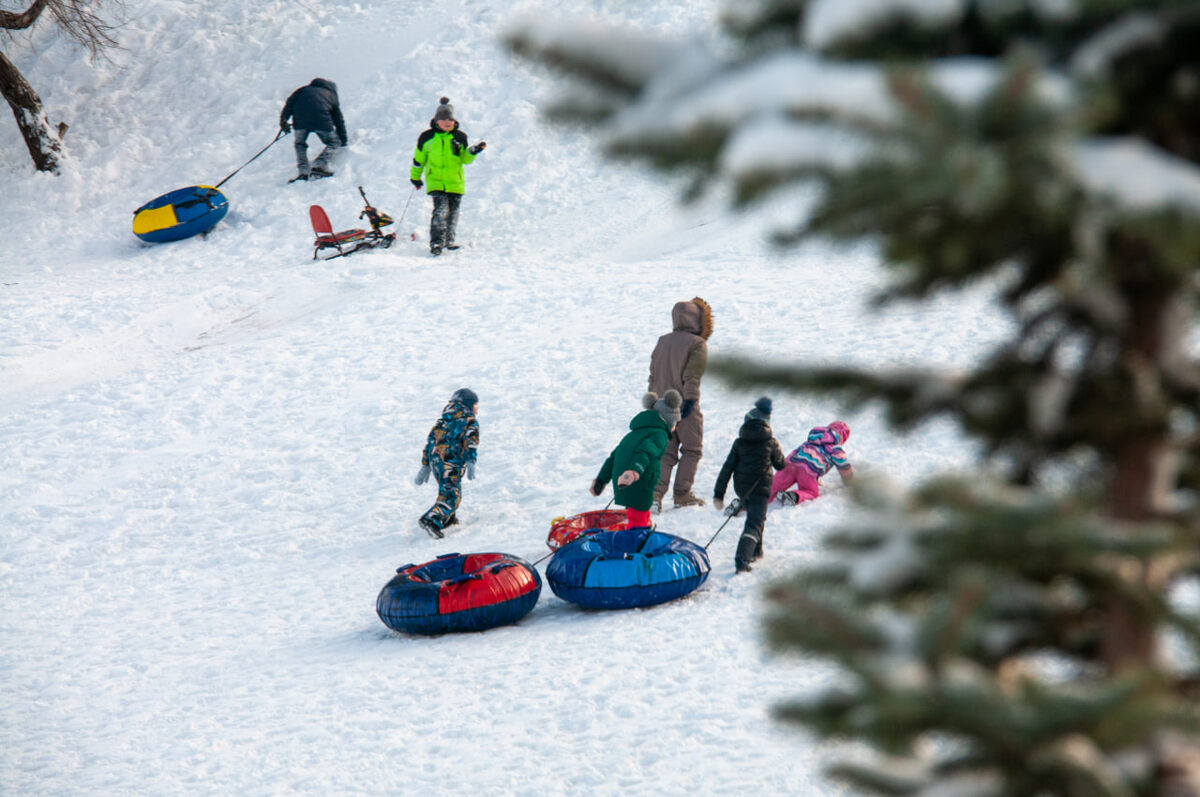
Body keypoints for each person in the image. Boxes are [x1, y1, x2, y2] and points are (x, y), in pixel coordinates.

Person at [648, 297, 713, 511]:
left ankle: (655, 495)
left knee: (666, 452)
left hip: (660, 405)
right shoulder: (697, 344)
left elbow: (653, 374)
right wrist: (691, 401)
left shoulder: (662, 341)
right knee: (692, 450)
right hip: (684, 404)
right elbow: (692, 376)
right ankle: (682, 494)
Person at [713, 398, 787, 573]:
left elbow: (726, 469)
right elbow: (781, 465)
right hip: (760, 489)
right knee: (754, 522)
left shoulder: (739, 443)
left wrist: (719, 494)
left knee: (757, 517)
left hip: (743, 489)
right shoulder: (770, 442)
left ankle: (756, 550)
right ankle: (742, 559)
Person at [590, 391, 683, 529]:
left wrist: (601, 480)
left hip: (626, 479)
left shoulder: (634, 434)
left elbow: (613, 457)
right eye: (675, 422)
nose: (675, 426)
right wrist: (634, 471)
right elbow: (645, 451)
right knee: (638, 514)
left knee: (639, 509)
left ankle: (643, 530)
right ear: (668, 420)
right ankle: (635, 539)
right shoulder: (659, 434)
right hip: (638, 479)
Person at [409, 97, 486, 256]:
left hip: (455, 182)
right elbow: (419, 160)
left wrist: (473, 151)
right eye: (443, 119)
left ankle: (449, 241)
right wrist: (415, 177)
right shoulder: (427, 137)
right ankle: (436, 242)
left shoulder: (459, 137)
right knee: (440, 211)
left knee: (453, 212)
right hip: (436, 181)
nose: (447, 122)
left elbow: (465, 159)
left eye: (450, 119)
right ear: (436, 121)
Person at [414, 388, 480, 538]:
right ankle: (431, 519)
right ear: (468, 405)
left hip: (436, 461)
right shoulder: (469, 421)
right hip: (450, 462)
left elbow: (431, 442)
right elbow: (471, 442)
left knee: (447, 490)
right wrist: (471, 461)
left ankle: (448, 519)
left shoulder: (443, 421)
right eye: (475, 406)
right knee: (451, 494)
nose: (477, 410)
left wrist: (425, 465)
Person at [771, 421, 853, 505]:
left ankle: (760, 494)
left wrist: (784, 464)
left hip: (791, 464)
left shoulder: (811, 440)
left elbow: (795, 451)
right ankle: (793, 496)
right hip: (808, 471)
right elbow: (843, 465)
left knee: (772, 485)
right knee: (811, 492)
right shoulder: (835, 447)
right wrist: (849, 480)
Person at [280, 78, 348, 181]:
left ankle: (303, 172)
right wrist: (343, 140)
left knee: (300, 145)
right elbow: (338, 120)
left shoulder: (302, 90)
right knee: (334, 142)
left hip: (300, 121)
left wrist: (283, 121)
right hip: (321, 121)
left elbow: (289, 104)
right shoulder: (331, 95)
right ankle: (318, 166)